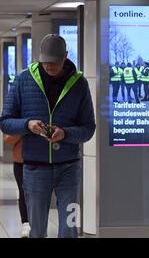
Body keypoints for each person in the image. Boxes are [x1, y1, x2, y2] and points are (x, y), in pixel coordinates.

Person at [0, 34, 96, 238]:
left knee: (69, 227)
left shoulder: (79, 84)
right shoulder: (23, 80)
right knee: (36, 229)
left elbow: (88, 128)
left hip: (69, 167)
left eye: (55, 63)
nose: (50, 67)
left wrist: (65, 133)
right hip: (35, 168)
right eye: (46, 63)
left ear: (66, 57)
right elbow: (5, 121)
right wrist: (28, 124)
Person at [4, 134, 30, 237]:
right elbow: (8, 140)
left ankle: (39, 223)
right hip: (21, 162)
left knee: (40, 195)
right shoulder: (18, 121)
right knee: (23, 192)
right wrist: (24, 129)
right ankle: (26, 223)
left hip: (42, 161)